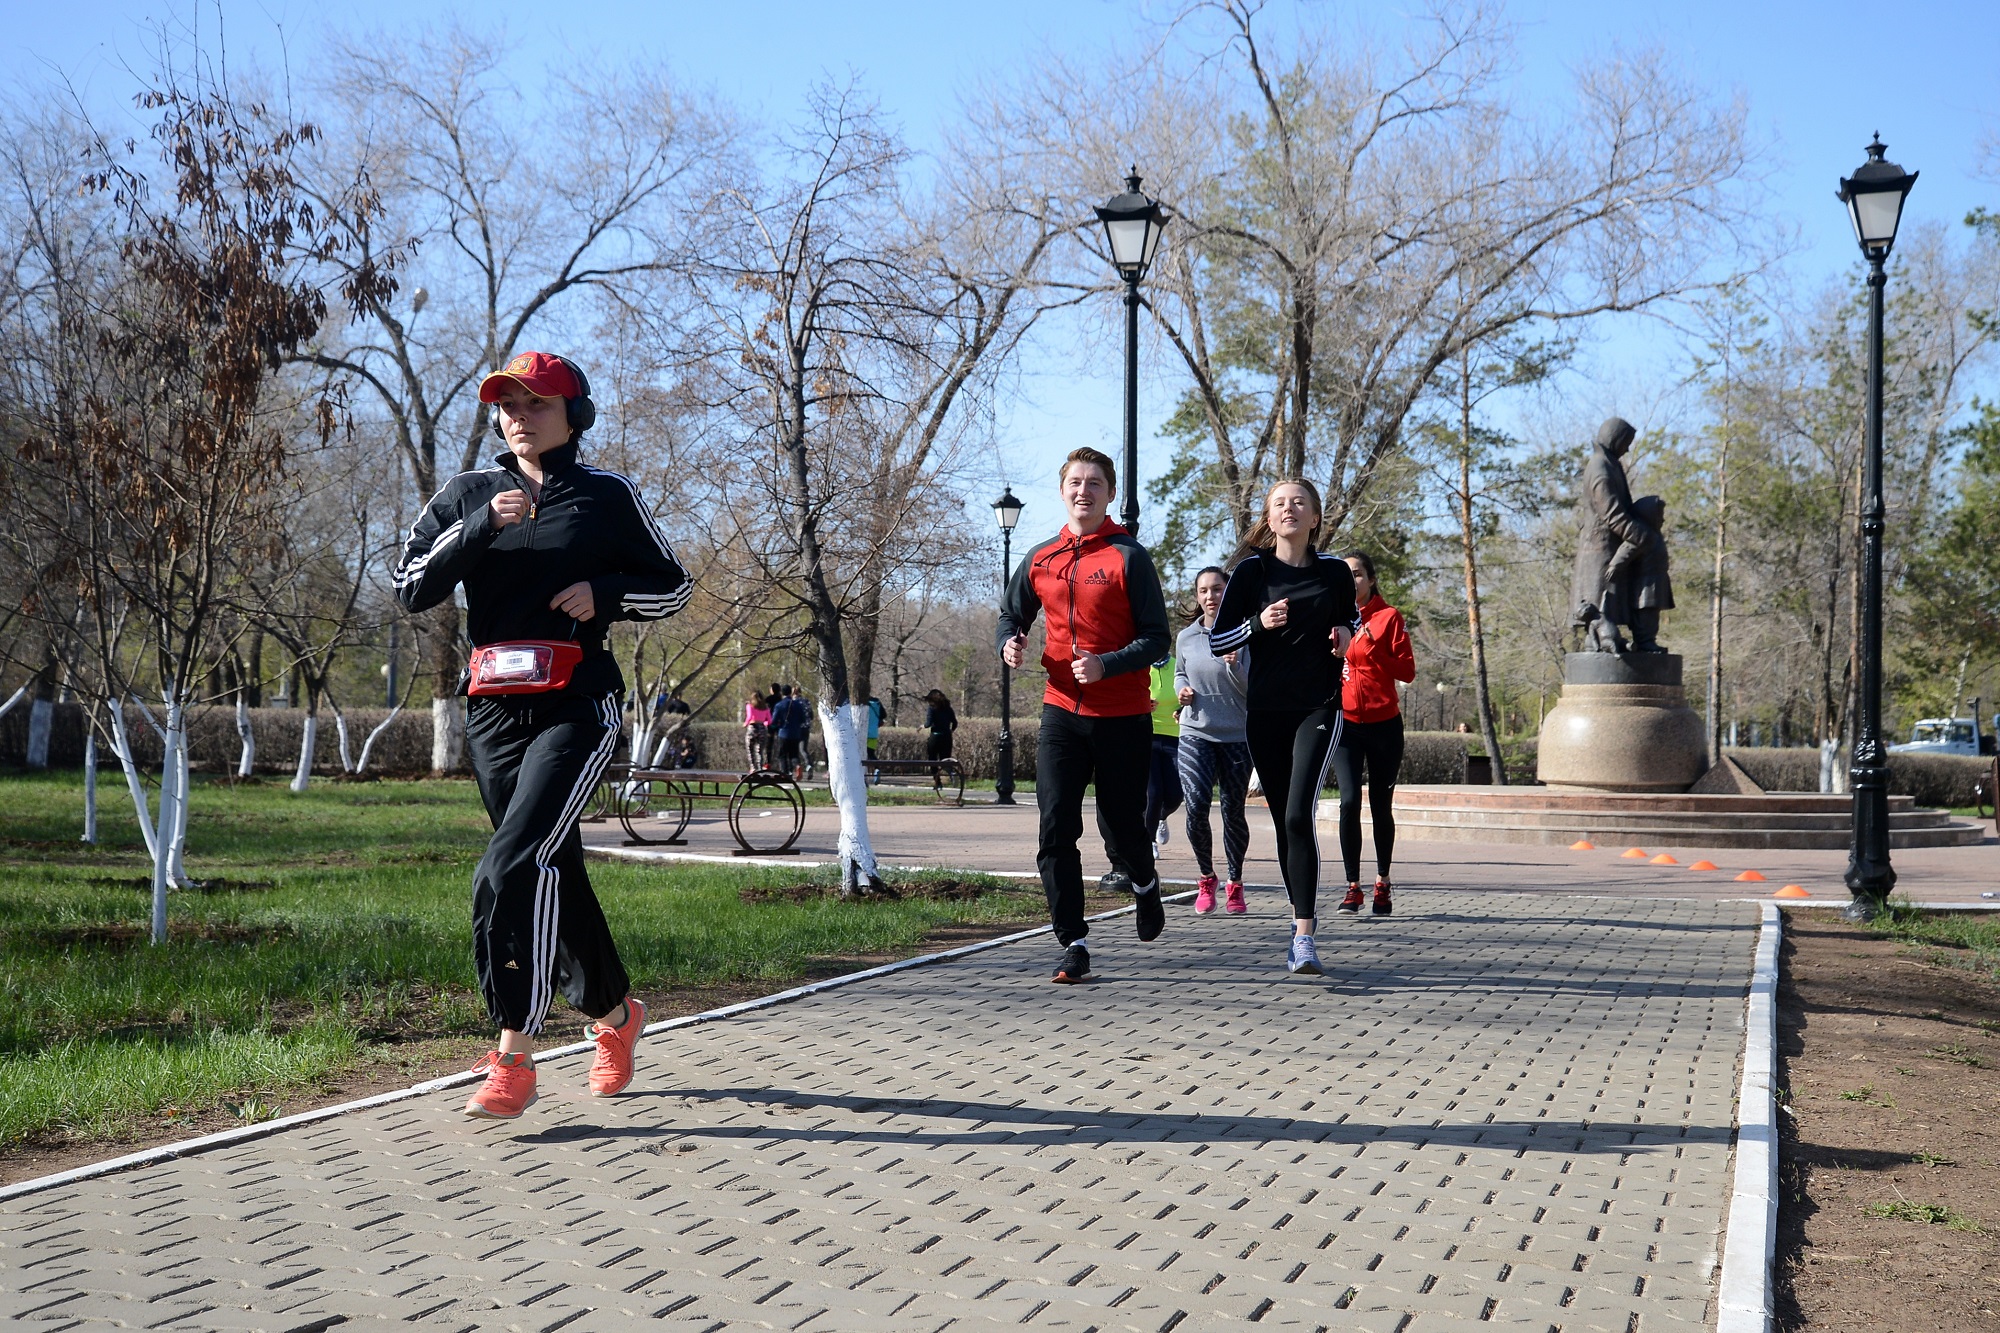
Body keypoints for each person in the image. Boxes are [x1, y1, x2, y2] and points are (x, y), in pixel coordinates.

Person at [393, 350, 690, 1119]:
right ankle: (619, 1016)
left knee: (509, 865)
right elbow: (407, 586)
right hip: (492, 710)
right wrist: (476, 529)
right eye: (508, 404)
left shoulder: (604, 495)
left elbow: (674, 584)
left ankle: (514, 1054)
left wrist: (606, 593)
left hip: (577, 703)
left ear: (574, 415)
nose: (519, 416)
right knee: (550, 864)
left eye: (538, 404)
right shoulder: (469, 494)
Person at [998, 446, 1171, 984]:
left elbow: (1158, 639)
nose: (1084, 490)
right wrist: (1010, 640)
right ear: (1062, 490)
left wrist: (1107, 664)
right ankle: (1073, 940)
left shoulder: (1129, 557)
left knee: (1121, 828)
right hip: (1060, 713)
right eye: (1075, 481)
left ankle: (1144, 883)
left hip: (1121, 715)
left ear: (1110, 494)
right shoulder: (1040, 558)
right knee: (1055, 828)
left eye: (1095, 482)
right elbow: (1010, 614)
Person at [1208, 478, 1358, 977]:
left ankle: (1304, 935)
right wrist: (1258, 624)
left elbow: (1351, 622)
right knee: (1282, 820)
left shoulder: (1335, 571)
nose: (1289, 509)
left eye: (1299, 503)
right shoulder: (1251, 572)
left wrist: (1343, 633)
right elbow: (1219, 640)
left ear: (1315, 517)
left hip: (1318, 707)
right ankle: (1300, 921)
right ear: (1269, 519)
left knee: (1298, 816)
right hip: (1265, 713)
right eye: (1279, 504)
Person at [1331, 551, 1415, 917]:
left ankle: (1382, 882)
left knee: (1381, 805)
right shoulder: (1332, 618)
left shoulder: (1388, 617)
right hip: (1346, 724)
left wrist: (1373, 649)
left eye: (1359, 574)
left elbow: (1408, 671)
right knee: (1349, 802)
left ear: (1371, 579)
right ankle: (1353, 887)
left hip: (1384, 724)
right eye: (1347, 575)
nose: (1353, 581)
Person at [1174, 565, 1253, 915]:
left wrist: (1234, 666)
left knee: (1233, 810)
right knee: (1195, 807)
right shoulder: (1186, 638)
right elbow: (1179, 672)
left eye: (1218, 589)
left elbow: (1253, 691)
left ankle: (1235, 883)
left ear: (1228, 592)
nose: (1211, 596)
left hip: (1236, 734)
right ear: (1197, 596)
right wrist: (1182, 690)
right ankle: (1207, 878)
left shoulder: (1245, 633)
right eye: (1204, 590)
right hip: (1196, 731)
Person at [1145, 655, 1183, 846]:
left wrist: (1183, 708)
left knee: (1176, 794)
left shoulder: (1178, 665)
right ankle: (1148, 842)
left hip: (1175, 736)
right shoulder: (1139, 665)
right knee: (1153, 793)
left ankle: (1161, 817)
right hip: (1146, 735)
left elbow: (1193, 693)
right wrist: (1140, 702)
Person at [923, 689, 958, 760]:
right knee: (945, 760)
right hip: (947, 737)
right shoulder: (948, 709)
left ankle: (934, 771)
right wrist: (951, 731)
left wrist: (922, 726)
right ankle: (947, 770)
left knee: (932, 759)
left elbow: (928, 724)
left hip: (935, 736)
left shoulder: (931, 708)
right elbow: (955, 723)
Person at [743, 691, 771, 771]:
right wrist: (764, 723)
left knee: (750, 748)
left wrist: (745, 724)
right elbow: (769, 720)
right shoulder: (765, 707)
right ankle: (759, 767)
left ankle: (753, 767)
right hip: (762, 728)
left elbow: (749, 716)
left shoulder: (750, 706)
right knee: (759, 750)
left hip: (753, 727)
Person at [865, 695, 884, 784]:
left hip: (862, 733)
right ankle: (877, 768)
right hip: (873, 733)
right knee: (871, 753)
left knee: (860, 756)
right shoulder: (877, 702)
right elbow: (884, 715)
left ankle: (863, 778)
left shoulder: (860, 702)